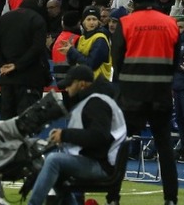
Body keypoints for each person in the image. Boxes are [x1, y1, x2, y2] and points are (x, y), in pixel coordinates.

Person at [110, 0, 180, 205]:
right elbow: (175, 61)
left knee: (122, 145)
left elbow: (117, 60)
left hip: (131, 96)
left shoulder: (126, 23)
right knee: (165, 147)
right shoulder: (170, 23)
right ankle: (170, 198)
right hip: (161, 94)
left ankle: (113, 197)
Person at [24, 65, 128, 205]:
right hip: (101, 161)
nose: (66, 88)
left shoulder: (96, 103)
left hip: (102, 166)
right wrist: (65, 137)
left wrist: (65, 135)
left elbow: (98, 137)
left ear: (82, 83)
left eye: (69, 84)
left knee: (54, 160)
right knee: (57, 170)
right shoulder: (95, 100)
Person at [66, 6, 114, 81]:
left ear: (99, 22)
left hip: (98, 85)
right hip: (83, 84)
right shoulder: (81, 39)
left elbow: (91, 64)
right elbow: (74, 63)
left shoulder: (100, 39)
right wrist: (69, 52)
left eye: (94, 19)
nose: (91, 22)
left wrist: (72, 51)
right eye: (88, 19)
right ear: (83, 22)